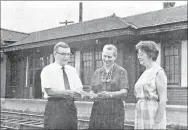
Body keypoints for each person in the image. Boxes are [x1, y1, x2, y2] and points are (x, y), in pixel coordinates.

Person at [41, 42, 84, 129]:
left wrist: (80, 93)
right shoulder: (48, 70)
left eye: (68, 54)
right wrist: (70, 92)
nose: (66, 57)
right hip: (55, 107)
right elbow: (50, 91)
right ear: (55, 54)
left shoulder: (72, 70)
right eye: (63, 54)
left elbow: (79, 89)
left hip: (70, 107)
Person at [88, 44, 129, 129]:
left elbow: (124, 91)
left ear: (115, 57)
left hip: (115, 108)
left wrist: (110, 94)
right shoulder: (97, 72)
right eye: (104, 56)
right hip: (98, 108)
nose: (106, 59)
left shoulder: (121, 71)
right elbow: (92, 90)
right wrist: (91, 95)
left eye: (109, 57)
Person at [134, 41, 167, 129]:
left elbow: (163, 100)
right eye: (138, 54)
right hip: (141, 114)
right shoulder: (145, 72)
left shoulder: (158, 72)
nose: (138, 57)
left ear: (150, 54)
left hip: (152, 114)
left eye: (141, 54)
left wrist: (157, 122)